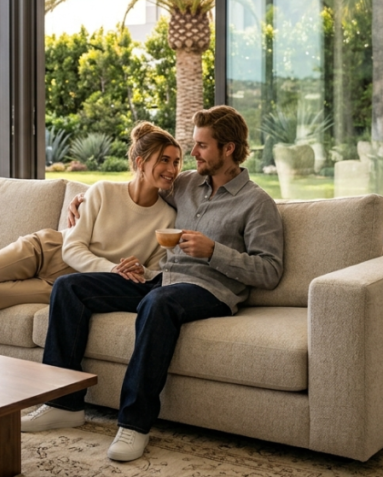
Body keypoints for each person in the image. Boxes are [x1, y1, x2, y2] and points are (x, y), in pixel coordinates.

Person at [21, 105, 285, 463]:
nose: (192, 155)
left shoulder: (257, 203)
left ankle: (134, 423)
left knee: (157, 304)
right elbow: (141, 185)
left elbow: (269, 271)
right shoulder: (187, 184)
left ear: (229, 149)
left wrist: (214, 252)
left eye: (202, 146)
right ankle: (63, 401)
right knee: (71, 288)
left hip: (211, 291)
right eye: (193, 145)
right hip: (161, 280)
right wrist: (85, 199)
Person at [0, 122, 181, 311]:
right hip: (47, 251)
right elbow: (72, 247)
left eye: (177, 162)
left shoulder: (168, 218)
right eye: (164, 160)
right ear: (141, 163)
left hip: (71, 283)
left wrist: (139, 273)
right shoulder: (103, 191)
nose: (172, 169)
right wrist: (111, 269)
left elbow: (155, 271)